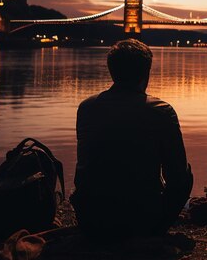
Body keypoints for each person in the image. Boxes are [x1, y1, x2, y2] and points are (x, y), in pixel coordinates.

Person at [71, 39, 193, 240]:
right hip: (143, 222)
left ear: (111, 70)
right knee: (185, 174)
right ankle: (156, 230)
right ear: (146, 73)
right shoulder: (161, 111)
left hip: (91, 220)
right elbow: (177, 174)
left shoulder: (87, 107)